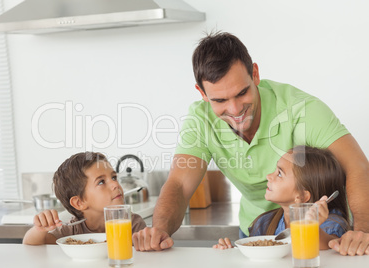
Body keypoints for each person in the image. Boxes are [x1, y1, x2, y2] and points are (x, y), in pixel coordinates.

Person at [132, 31, 369, 255]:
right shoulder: (200, 120)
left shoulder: (300, 109)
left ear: (255, 73)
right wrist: (159, 230)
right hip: (258, 229)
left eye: (242, 93)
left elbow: (357, 166)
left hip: (319, 232)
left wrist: (361, 233)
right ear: (202, 93)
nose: (235, 110)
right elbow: (179, 185)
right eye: (220, 100)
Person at [213, 146, 352, 250]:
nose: (269, 176)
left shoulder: (332, 224)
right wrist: (231, 252)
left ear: (302, 196)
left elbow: (330, 246)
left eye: (279, 173)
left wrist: (312, 229)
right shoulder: (264, 223)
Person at [23, 152, 146, 245]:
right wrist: (39, 229)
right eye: (101, 182)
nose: (115, 184)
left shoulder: (132, 224)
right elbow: (32, 245)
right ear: (79, 202)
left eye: (114, 177)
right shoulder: (71, 230)